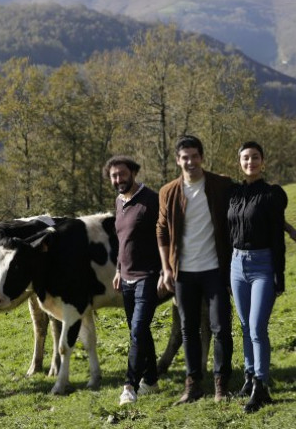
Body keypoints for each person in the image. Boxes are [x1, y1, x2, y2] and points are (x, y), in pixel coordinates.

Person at [156, 135, 234, 405]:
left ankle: (221, 386)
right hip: (183, 273)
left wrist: (286, 227)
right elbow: (162, 232)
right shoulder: (169, 191)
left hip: (215, 270)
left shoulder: (221, 185)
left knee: (221, 327)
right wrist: (166, 269)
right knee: (188, 329)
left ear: (202, 156)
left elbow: (248, 207)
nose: (190, 162)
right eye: (184, 157)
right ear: (178, 160)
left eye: (194, 156)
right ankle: (193, 386)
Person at [227, 141, 287, 412]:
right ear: (239, 162)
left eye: (255, 157)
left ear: (263, 161)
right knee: (243, 326)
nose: (250, 162)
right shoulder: (233, 193)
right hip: (236, 265)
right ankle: (249, 376)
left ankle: (261, 386)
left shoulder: (272, 194)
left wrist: (279, 274)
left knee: (256, 328)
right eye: (245, 158)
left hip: (263, 264)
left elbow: (277, 235)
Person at [103, 155, 162, 406]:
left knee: (137, 330)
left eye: (122, 174)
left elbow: (166, 235)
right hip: (125, 276)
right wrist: (117, 269)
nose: (118, 179)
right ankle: (151, 379)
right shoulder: (119, 202)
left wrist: (167, 270)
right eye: (114, 176)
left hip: (148, 275)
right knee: (139, 331)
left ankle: (130, 385)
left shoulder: (152, 200)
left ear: (133, 173)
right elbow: (122, 241)